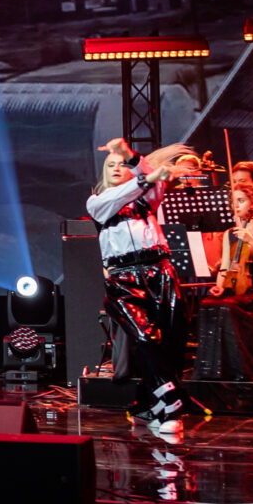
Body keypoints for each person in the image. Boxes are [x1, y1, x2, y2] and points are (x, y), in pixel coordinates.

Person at [87, 142, 194, 432]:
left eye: (122, 164)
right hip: (122, 279)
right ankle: (171, 400)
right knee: (144, 336)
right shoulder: (97, 202)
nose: (116, 168)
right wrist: (146, 177)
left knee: (172, 338)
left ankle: (148, 405)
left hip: (160, 271)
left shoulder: (148, 197)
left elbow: (149, 178)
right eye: (111, 165)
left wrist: (132, 157)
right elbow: (129, 189)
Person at [197, 178, 253, 379]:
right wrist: (220, 286)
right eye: (233, 201)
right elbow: (225, 267)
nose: (236, 206)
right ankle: (215, 370)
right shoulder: (229, 233)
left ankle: (242, 370)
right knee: (208, 304)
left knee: (229, 307)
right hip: (236, 286)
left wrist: (252, 241)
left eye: (241, 201)